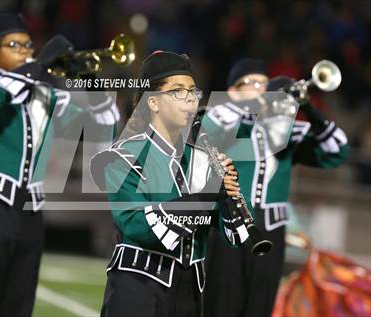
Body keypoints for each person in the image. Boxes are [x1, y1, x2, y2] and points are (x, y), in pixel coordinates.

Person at [0, 13, 118, 317]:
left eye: (28, 45)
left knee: (19, 304)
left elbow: (103, 121)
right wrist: (37, 66)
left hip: (30, 212)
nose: (24, 50)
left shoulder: (44, 94)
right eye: (13, 45)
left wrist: (89, 82)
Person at [90, 51, 247, 317]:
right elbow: (139, 226)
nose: (188, 98)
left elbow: (235, 236)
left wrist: (229, 196)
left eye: (191, 91)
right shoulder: (121, 156)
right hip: (139, 287)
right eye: (177, 91)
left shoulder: (200, 158)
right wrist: (207, 195)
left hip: (191, 293)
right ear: (153, 102)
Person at [203, 58, 350, 317]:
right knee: (221, 303)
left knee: (260, 306)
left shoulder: (286, 133)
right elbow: (209, 129)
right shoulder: (226, 118)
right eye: (252, 84)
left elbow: (337, 150)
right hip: (229, 227)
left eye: (263, 84)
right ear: (233, 91)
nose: (260, 89)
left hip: (271, 232)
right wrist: (261, 104)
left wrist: (308, 107)